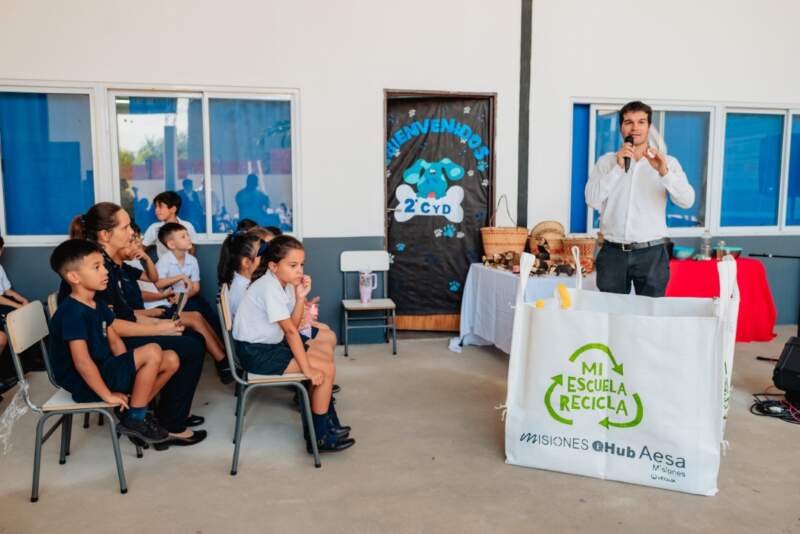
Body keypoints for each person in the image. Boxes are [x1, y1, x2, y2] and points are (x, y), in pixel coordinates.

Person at [59, 202, 207, 449]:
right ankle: (170, 421)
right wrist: (159, 329)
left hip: (113, 340)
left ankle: (157, 415)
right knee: (190, 347)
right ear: (106, 235)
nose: (132, 234)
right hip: (104, 348)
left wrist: (160, 324)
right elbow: (113, 327)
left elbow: (125, 314)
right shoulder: (96, 271)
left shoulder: (110, 264)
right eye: (126, 227)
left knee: (188, 342)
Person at [48, 239, 179, 443]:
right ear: (74, 277)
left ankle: (133, 412)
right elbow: (82, 363)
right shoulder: (71, 313)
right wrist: (108, 395)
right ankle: (135, 418)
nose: (105, 272)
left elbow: (115, 341)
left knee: (171, 358)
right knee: (153, 350)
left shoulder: (97, 303)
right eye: (96, 267)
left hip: (104, 368)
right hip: (83, 383)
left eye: (103, 265)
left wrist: (128, 368)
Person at [232, 236, 354, 452]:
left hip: (271, 343)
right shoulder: (269, 287)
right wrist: (307, 368)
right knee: (324, 368)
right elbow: (290, 331)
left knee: (324, 350)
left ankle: (324, 421)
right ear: (273, 266)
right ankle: (320, 436)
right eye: (293, 265)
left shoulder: (284, 283)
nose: (300, 270)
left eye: (302, 264)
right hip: (256, 353)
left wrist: (300, 298)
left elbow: (295, 324)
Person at [585, 101, 695, 297]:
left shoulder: (667, 162)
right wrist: (618, 169)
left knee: (650, 317)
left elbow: (687, 201)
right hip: (612, 253)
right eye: (628, 122)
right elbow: (592, 200)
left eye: (641, 122)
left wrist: (664, 172)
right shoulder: (606, 162)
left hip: (651, 253)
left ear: (649, 127)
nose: (635, 127)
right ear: (621, 127)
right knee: (611, 315)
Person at [115, 238, 233, 385]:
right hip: (147, 312)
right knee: (194, 319)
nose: (138, 245)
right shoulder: (114, 271)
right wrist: (157, 305)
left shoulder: (128, 266)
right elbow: (127, 308)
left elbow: (153, 279)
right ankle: (223, 362)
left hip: (153, 307)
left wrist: (146, 258)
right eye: (132, 242)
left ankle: (224, 356)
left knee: (198, 313)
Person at [155, 222, 232, 382]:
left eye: (188, 235)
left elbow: (196, 288)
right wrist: (176, 294)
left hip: (188, 297)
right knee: (197, 316)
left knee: (210, 315)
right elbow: (158, 284)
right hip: (168, 302)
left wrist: (183, 296)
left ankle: (226, 355)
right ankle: (223, 361)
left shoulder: (192, 260)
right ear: (171, 244)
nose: (188, 238)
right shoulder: (164, 261)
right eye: (183, 236)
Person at [217, 231, 268, 319]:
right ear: (246, 262)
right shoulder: (243, 293)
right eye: (261, 255)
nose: (266, 258)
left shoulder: (243, 283)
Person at [142, 191, 197, 259]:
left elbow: (192, 247)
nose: (156, 210)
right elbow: (143, 247)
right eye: (156, 207)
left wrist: (189, 264)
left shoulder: (187, 226)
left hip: (183, 267)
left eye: (160, 206)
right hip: (164, 268)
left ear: (173, 209)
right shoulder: (154, 228)